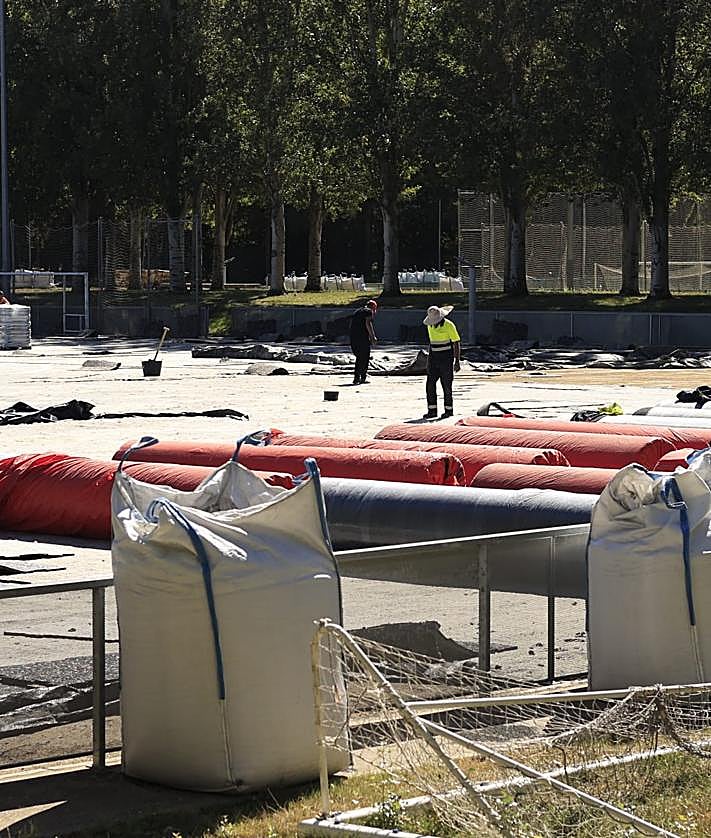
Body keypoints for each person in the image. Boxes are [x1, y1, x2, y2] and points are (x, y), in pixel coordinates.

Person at [423, 304, 460, 419]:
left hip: (446, 357)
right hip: (434, 356)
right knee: (430, 384)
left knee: (446, 385)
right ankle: (432, 410)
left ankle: (448, 410)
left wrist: (457, 361)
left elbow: (456, 343)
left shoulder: (449, 325)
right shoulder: (430, 326)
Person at [349, 299, 378, 384]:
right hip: (362, 338)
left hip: (353, 337)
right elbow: (368, 324)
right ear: (373, 307)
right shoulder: (368, 312)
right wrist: (373, 337)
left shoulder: (357, 311)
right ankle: (363, 378)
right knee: (365, 358)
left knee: (359, 358)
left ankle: (356, 378)